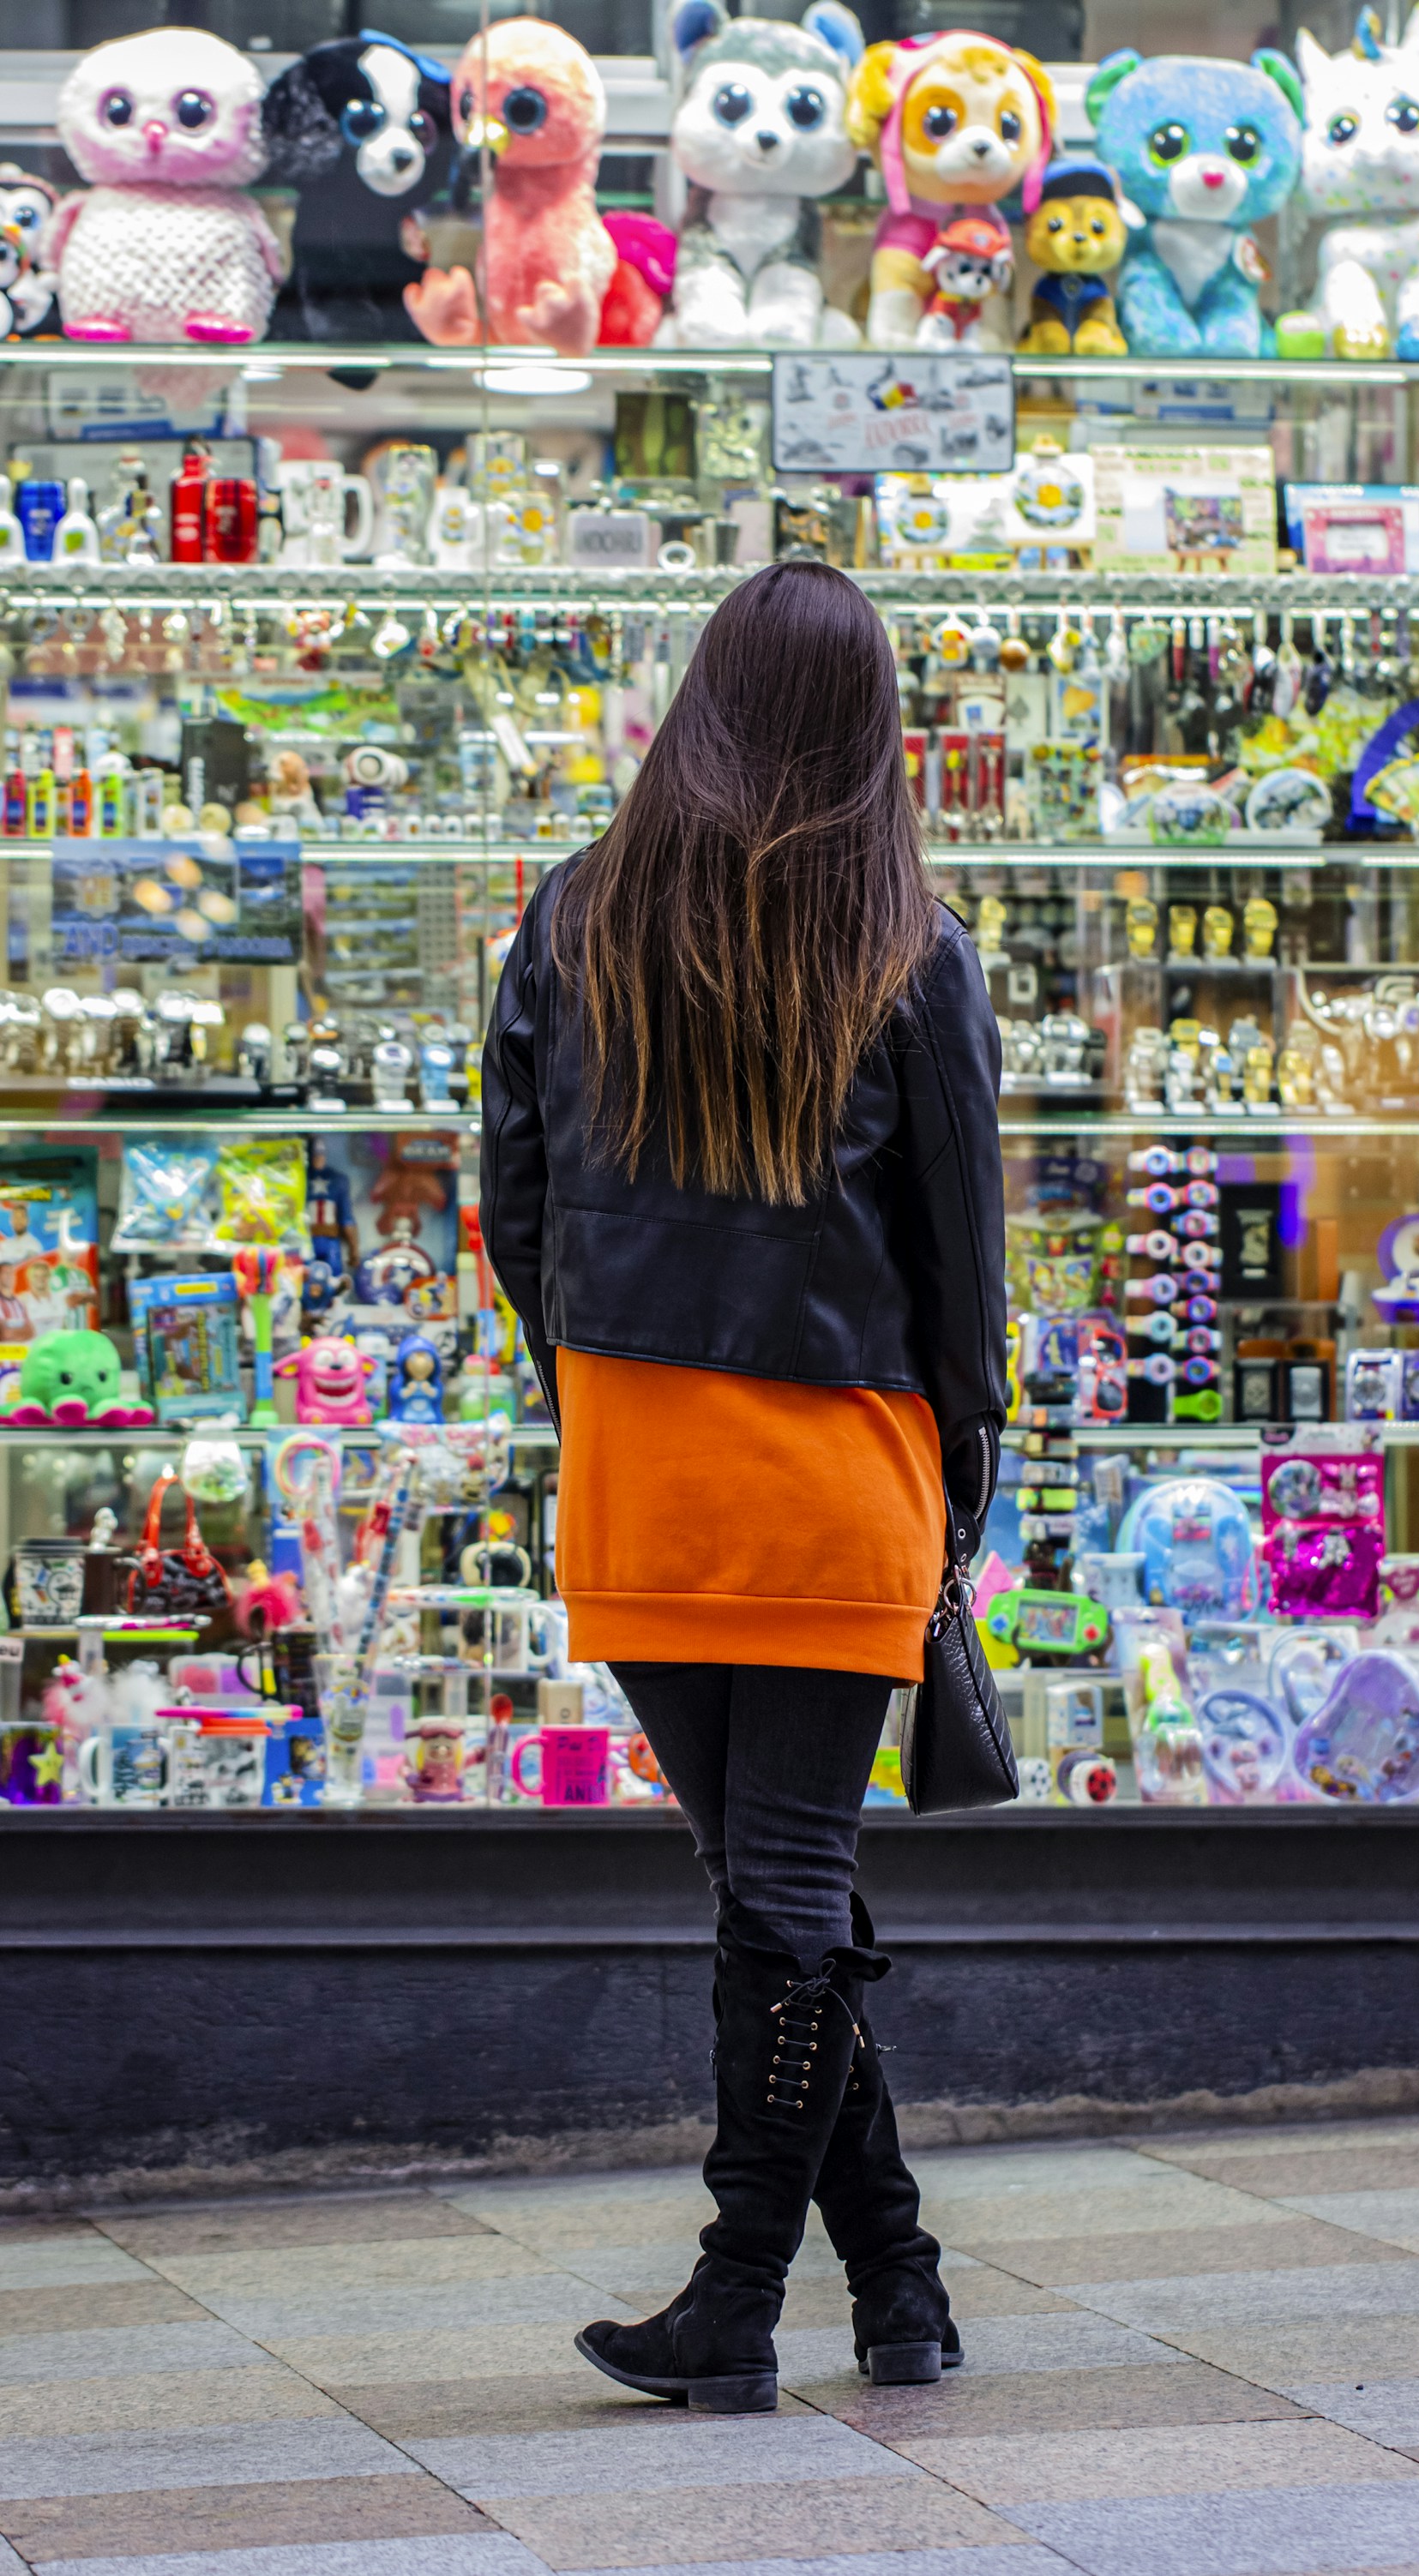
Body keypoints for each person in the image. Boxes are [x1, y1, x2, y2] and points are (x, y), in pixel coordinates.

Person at [481, 557, 1006, 2417]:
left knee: (763, 1886)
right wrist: (969, 1471)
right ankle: (756, 2293)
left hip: (641, 1464)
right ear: (871, 729)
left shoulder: (575, 916)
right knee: (787, 1888)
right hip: (840, 1470)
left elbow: (512, 1207)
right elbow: (964, 1262)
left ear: (698, 699)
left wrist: (600, 1384)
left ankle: (886, 2280)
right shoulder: (909, 948)